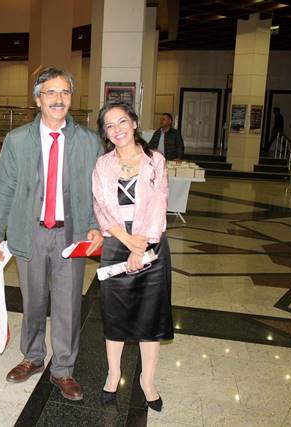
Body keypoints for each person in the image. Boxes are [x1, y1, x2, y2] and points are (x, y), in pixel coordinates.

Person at [0, 67, 103, 401]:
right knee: (33, 300)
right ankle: (33, 357)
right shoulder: (17, 139)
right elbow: (4, 187)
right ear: (38, 99)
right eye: (51, 92)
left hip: (71, 235)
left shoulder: (88, 141)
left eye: (65, 92)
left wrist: (95, 225)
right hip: (30, 232)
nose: (58, 99)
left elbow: (99, 191)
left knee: (68, 304)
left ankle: (63, 369)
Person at [92, 102, 174, 412]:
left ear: (135, 123)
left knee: (150, 315)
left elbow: (159, 205)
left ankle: (147, 380)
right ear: (105, 133)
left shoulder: (156, 161)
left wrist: (141, 247)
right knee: (115, 313)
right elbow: (101, 207)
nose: (117, 129)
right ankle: (113, 374)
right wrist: (127, 242)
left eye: (122, 121)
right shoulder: (102, 165)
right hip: (116, 242)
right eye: (110, 125)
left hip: (151, 242)